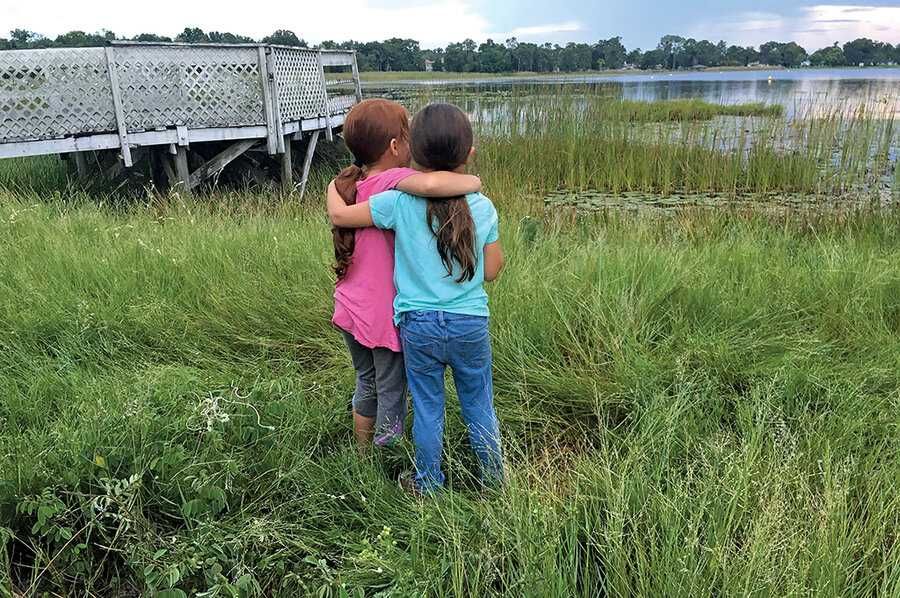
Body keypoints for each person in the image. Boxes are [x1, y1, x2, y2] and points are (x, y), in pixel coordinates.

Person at [327, 103, 504, 494]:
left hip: (417, 325)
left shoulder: (398, 203)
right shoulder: (483, 207)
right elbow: (492, 270)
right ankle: (493, 482)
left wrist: (333, 191)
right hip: (469, 323)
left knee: (427, 407)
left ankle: (427, 482)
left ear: (414, 154)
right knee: (479, 405)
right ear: (470, 153)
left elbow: (344, 218)